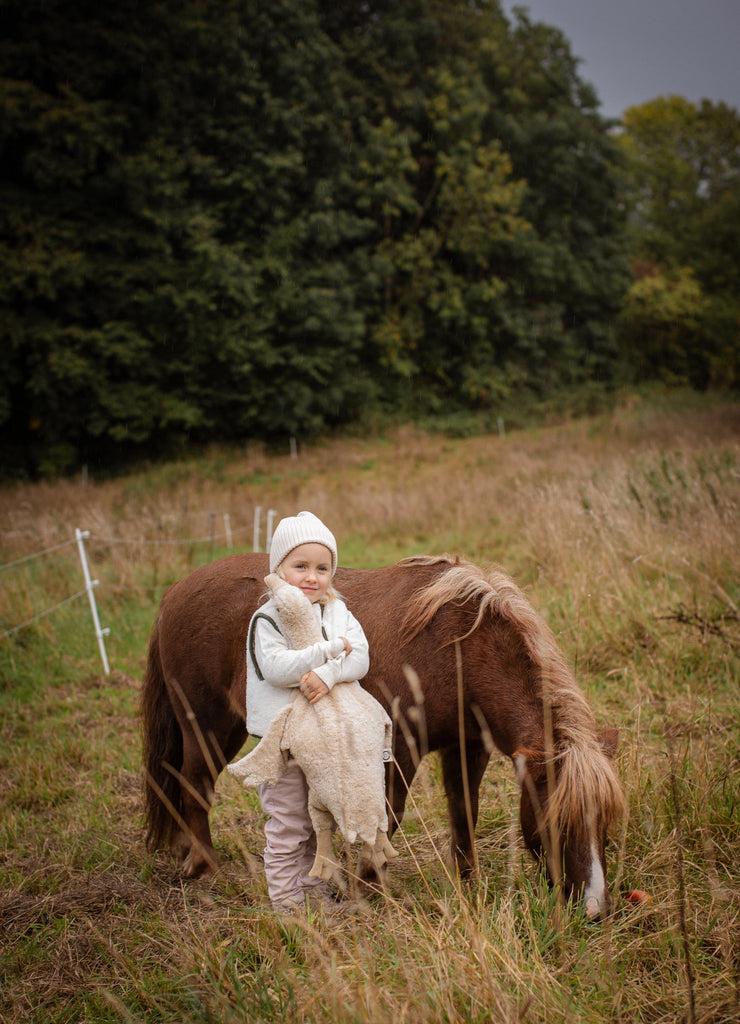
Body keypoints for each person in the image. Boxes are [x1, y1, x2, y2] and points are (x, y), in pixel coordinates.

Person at [246, 510, 370, 915]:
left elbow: (361, 657)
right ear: (278, 568)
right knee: (288, 824)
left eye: (322, 567)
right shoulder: (268, 617)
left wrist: (329, 673)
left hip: (321, 737)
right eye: (300, 566)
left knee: (319, 818)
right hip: (282, 740)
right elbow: (278, 669)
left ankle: (314, 894)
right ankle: (287, 906)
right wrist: (327, 653)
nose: (312, 577)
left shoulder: (337, 612)